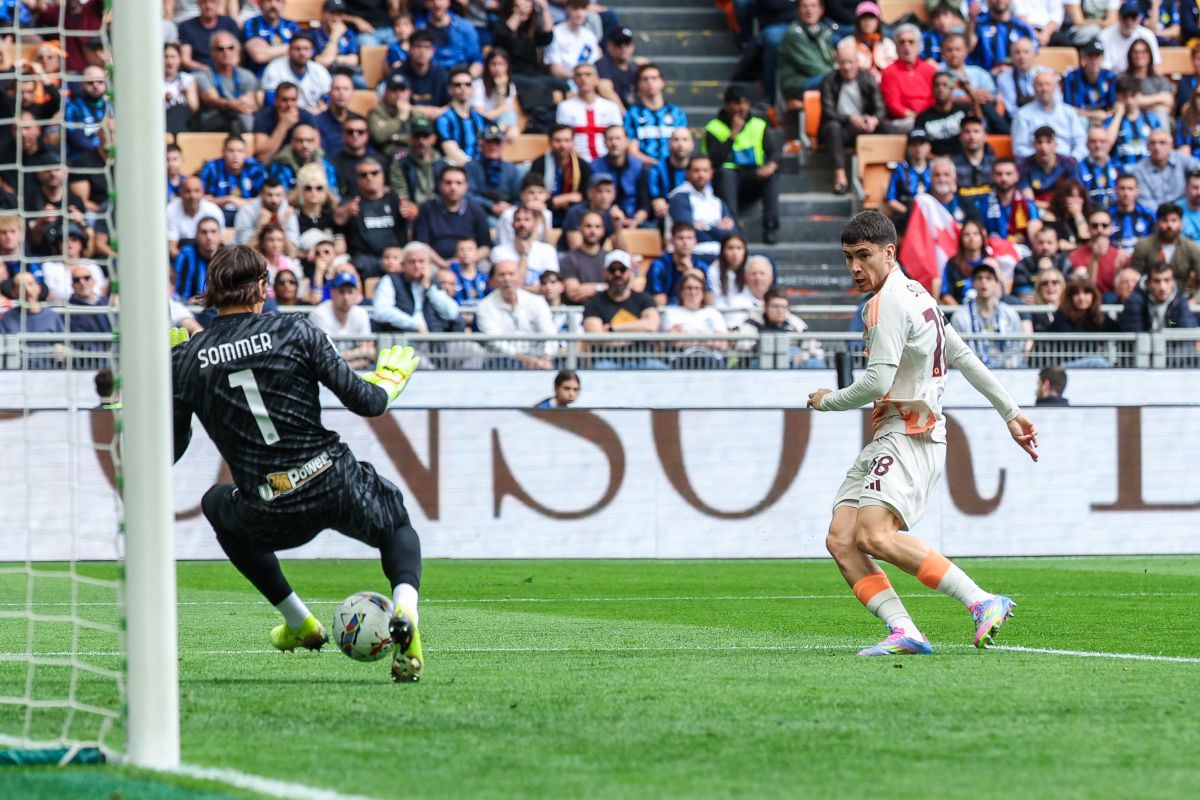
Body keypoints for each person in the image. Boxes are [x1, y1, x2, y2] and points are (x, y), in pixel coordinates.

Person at [169, 246, 425, 683]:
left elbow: (170, 451)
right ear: (262, 287)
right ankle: (405, 608)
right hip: (335, 481)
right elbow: (367, 402)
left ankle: (298, 621)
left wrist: (168, 383)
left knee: (216, 503)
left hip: (270, 505)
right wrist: (389, 381)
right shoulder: (296, 330)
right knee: (396, 524)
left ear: (211, 292)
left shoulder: (187, 359)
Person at [808, 211, 1037, 658]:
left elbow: (876, 382)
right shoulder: (918, 294)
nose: (855, 267)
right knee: (842, 538)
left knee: (874, 536)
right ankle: (905, 630)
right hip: (891, 434)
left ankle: (981, 601)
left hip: (910, 433)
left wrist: (826, 400)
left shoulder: (887, 303)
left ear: (888, 252)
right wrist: (1011, 412)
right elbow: (963, 355)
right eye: (848, 257)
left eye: (863, 255)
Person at [704, 84, 782, 243]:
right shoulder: (714, 127)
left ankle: (770, 227)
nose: (742, 107)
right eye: (737, 103)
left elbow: (774, 151)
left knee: (771, 177)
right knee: (726, 175)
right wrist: (733, 134)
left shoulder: (758, 124)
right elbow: (715, 160)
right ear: (727, 105)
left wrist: (771, 165)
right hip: (727, 178)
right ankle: (733, 228)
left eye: (745, 102)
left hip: (753, 174)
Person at [821, 37, 886, 197]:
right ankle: (840, 176)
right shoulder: (829, 80)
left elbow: (880, 108)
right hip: (840, 127)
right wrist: (850, 119)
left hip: (863, 125)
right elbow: (828, 111)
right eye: (842, 63)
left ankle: (886, 179)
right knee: (833, 127)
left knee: (888, 128)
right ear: (837, 64)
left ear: (858, 62)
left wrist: (874, 119)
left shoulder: (867, 78)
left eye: (850, 62)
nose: (846, 67)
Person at [582, 251, 666, 369]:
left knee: (661, 369)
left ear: (630, 271)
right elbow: (596, 338)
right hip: (607, 361)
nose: (617, 274)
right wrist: (640, 333)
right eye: (612, 270)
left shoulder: (644, 299)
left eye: (622, 269)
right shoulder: (594, 302)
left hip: (643, 360)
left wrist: (612, 328)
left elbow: (652, 326)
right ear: (605, 272)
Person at [474, 259, 559, 369]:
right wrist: (522, 358)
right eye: (502, 275)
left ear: (520, 278)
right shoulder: (484, 306)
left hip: (540, 358)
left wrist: (546, 357)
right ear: (493, 280)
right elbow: (495, 341)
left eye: (511, 274)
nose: (507, 279)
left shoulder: (537, 301)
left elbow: (549, 332)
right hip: (501, 361)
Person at [371, 241, 464, 333]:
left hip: (435, 338)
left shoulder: (433, 284)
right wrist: (414, 325)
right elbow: (382, 311)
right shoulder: (390, 281)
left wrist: (429, 289)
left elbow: (451, 313)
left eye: (421, 261)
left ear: (429, 264)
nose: (417, 266)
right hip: (403, 337)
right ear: (403, 264)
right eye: (412, 262)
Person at [949, 261, 1027, 368]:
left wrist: (1010, 366)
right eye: (979, 278)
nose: (984, 282)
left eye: (989, 278)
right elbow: (956, 350)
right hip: (972, 371)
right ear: (973, 283)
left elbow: (1017, 346)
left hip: (1007, 371)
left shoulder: (1009, 313)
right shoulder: (960, 316)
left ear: (997, 283)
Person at [340, 157, 405, 277]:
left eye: (374, 173)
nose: (369, 178)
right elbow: (337, 220)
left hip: (397, 257)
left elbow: (413, 214)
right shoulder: (352, 203)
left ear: (383, 175)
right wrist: (345, 213)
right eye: (363, 175)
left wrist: (412, 213)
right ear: (357, 179)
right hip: (366, 260)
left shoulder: (395, 201)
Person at [414, 166, 492, 265]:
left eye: (459, 183)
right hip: (435, 263)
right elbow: (422, 245)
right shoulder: (426, 209)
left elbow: (486, 246)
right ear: (439, 185)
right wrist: (442, 264)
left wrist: (470, 260)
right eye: (448, 183)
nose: (453, 187)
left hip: (471, 262)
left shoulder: (476, 210)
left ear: (466, 186)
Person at [666, 155, 739, 258]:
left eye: (705, 170)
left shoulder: (717, 201)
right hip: (692, 255)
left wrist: (705, 227)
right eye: (696, 170)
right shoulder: (679, 198)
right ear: (687, 173)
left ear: (711, 173)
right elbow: (689, 235)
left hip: (721, 256)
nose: (701, 175)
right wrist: (717, 229)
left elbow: (732, 234)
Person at [660, 269, 729, 370]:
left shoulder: (714, 313)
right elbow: (676, 341)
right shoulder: (671, 313)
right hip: (682, 359)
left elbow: (722, 344)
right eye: (689, 288)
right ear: (681, 292)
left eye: (697, 288)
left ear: (703, 292)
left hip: (712, 360)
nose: (693, 292)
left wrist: (687, 334)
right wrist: (707, 336)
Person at [1011, 72, 1088, 161]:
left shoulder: (1069, 112)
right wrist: (1041, 160)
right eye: (1040, 85)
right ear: (1033, 88)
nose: (1044, 88)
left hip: (1067, 161)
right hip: (1036, 163)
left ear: (1056, 87)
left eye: (1048, 84)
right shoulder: (1023, 114)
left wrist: (1072, 159)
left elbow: (1081, 143)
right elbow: (1019, 148)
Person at [196, 32, 261, 135]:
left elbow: (249, 102)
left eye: (230, 48)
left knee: (246, 118)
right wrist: (233, 105)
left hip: (241, 116)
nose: (226, 52)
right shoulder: (203, 76)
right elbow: (212, 100)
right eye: (220, 49)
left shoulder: (247, 75)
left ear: (237, 50)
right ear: (212, 52)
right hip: (214, 119)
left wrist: (239, 105)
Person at [308, 271, 375, 369]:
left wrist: (340, 362)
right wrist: (359, 353)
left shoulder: (361, 313)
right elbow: (325, 359)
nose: (346, 298)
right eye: (341, 292)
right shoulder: (319, 314)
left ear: (356, 294)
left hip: (354, 372)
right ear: (332, 292)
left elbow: (370, 352)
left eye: (350, 292)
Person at [556, 62, 623, 160]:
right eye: (578, 75)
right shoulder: (564, 107)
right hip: (576, 160)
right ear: (574, 80)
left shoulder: (611, 107)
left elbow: (618, 136)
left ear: (597, 79)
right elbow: (563, 138)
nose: (583, 78)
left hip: (607, 161)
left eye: (588, 74)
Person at [625, 63, 687, 167]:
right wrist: (654, 165)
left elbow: (684, 145)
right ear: (638, 84)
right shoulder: (632, 114)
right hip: (643, 168)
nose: (650, 82)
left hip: (673, 167)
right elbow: (632, 150)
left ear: (662, 82)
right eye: (645, 79)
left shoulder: (676, 113)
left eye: (654, 78)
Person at [0, 271, 65, 369]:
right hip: (15, 373)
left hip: (48, 372)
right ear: (14, 292)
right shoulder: (6, 318)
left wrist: (63, 351)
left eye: (30, 284)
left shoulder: (52, 316)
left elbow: (65, 344)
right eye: (21, 286)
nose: (27, 290)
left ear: (39, 288)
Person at [880, 24, 937, 134]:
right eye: (902, 42)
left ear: (919, 46)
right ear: (896, 47)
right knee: (916, 124)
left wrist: (927, 115)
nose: (906, 46)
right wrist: (917, 117)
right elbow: (893, 104)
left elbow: (934, 99)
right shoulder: (889, 72)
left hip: (929, 116)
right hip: (903, 121)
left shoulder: (930, 70)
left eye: (911, 42)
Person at [777, 0, 839, 102]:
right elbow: (814, 67)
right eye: (804, 6)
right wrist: (839, 74)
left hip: (820, 76)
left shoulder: (824, 29)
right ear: (798, 10)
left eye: (813, 6)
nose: (809, 10)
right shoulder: (794, 34)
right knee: (838, 80)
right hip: (798, 83)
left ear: (821, 10)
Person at [532, 123, 592, 226]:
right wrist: (565, 199)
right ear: (550, 142)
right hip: (544, 211)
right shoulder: (539, 164)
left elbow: (585, 196)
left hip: (574, 214)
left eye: (566, 140)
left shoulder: (582, 165)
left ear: (572, 142)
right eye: (558, 141)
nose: (562, 145)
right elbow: (534, 196)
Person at [1130, 202, 1200, 288]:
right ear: (1157, 223)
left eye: (1174, 220)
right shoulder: (1143, 246)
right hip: (1149, 293)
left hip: (1183, 293)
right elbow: (1134, 277)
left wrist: (1194, 296)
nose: (1169, 225)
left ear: (1181, 224)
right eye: (1165, 220)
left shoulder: (1191, 248)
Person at [490, 205, 561, 289]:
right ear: (512, 224)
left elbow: (552, 288)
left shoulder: (548, 250)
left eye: (527, 220)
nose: (522, 224)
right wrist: (524, 255)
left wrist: (520, 288)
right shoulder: (499, 252)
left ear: (535, 224)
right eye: (518, 220)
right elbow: (499, 286)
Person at [1117, 261, 1199, 332]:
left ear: (1173, 282)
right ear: (1148, 283)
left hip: (1172, 344)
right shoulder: (1136, 301)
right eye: (1157, 281)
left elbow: (1186, 330)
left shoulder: (1179, 301)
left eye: (1167, 280)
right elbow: (1135, 332)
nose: (1162, 287)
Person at [261, 34, 333, 114]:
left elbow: (329, 98)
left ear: (312, 51)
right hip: (283, 114)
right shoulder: (275, 68)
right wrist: (305, 112)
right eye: (297, 49)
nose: (302, 53)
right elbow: (270, 101)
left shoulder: (319, 70)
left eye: (306, 49)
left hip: (316, 115)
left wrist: (324, 109)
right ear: (289, 50)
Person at [590, 126, 646, 226]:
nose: (614, 143)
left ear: (627, 142)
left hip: (634, 220)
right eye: (610, 139)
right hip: (603, 220)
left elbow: (645, 202)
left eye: (618, 138)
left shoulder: (638, 166)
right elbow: (591, 200)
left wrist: (636, 221)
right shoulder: (594, 168)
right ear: (604, 142)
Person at [1105, 75, 1163, 172]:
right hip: (1122, 172)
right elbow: (1106, 145)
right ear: (1117, 97)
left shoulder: (1152, 119)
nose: (1129, 101)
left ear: (1140, 95)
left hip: (1148, 172)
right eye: (1124, 97)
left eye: (1133, 96)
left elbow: (1162, 146)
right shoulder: (1111, 121)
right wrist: (1118, 114)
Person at [978, 158, 1042, 246]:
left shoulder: (1028, 205)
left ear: (1017, 176)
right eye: (999, 174)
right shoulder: (981, 204)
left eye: (1008, 174)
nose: (1004, 178)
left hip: (1022, 251)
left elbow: (1035, 235)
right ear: (993, 176)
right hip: (991, 249)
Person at [465, 124, 523, 220]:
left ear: (502, 145)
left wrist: (510, 208)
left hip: (509, 215)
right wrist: (491, 205)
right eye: (489, 142)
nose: (493, 146)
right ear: (481, 144)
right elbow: (467, 194)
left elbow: (520, 198)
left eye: (497, 142)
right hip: (479, 213)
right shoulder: (470, 167)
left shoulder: (512, 169)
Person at [1129, 131, 1200, 209]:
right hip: (1156, 214)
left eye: (1162, 143)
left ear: (1171, 145)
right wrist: (1166, 213)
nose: (1157, 147)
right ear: (1147, 146)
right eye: (1153, 143)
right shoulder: (1139, 170)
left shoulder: (1182, 159)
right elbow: (1145, 202)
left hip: (1186, 210)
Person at [389, 116, 446, 211]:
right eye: (417, 137)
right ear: (410, 138)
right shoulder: (400, 164)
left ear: (434, 138)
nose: (421, 141)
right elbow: (400, 194)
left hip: (440, 212)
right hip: (413, 212)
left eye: (425, 136)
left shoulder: (444, 164)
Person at [646, 222, 710, 306]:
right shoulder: (659, 265)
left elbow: (708, 301)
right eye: (680, 238)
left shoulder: (701, 266)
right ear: (672, 241)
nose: (685, 242)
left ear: (695, 241)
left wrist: (690, 272)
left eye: (689, 238)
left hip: (694, 311)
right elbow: (659, 303)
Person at [253, 82, 319, 164]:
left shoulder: (306, 116)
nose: (289, 105)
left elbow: (316, 148)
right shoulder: (264, 116)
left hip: (301, 163)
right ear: (276, 101)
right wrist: (283, 125)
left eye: (293, 100)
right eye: (284, 100)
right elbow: (262, 156)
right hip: (273, 164)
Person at [967, 0, 1039, 72]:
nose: (1000, 0)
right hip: (985, 75)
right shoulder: (978, 25)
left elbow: (1034, 56)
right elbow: (968, 47)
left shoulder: (1023, 28)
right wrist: (971, 23)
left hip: (1016, 76)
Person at [437, 67, 489, 165]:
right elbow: (451, 151)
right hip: (457, 168)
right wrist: (475, 169)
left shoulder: (479, 118)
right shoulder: (444, 118)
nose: (463, 88)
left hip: (481, 167)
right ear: (450, 90)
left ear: (472, 89)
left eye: (467, 84)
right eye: (458, 85)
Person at [913, 72, 973, 157]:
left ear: (952, 89)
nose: (940, 89)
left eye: (945, 85)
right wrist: (938, 160)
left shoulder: (963, 110)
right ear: (932, 89)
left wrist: (969, 92)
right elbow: (919, 147)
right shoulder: (922, 118)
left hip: (963, 160)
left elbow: (979, 122)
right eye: (937, 85)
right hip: (935, 162)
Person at [1067, 208, 1124, 295]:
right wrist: (1094, 257)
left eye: (1104, 225)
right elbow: (1087, 289)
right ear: (1088, 228)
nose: (1100, 230)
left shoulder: (1119, 254)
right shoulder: (1076, 255)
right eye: (1095, 226)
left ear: (1111, 229)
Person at [1019, 127, 1079, 208]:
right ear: (1033, 145)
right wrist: (1052, 207)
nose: (1044, 147)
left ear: (1055, 145)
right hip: (1038, 210)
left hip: (1064, 209)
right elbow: (1029, 202)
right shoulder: (1024, 166)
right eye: (1039, 142)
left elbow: (1074, 195)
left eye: (1048, 142)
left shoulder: (1069, 164)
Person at [418, 0, 483, 74]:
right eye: (432, 0)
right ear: (426, 3)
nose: (436, 3)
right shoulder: (419, 29)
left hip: (460, 73)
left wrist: (467, 77)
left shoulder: (465, 27)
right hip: (431, 75)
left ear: (449, 2)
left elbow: (477, 61)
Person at [234, 178, 301, 250]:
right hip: (250, 255)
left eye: (278, 195)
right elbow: (245, 251)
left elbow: (292, 253)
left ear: (283, 195)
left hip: (277, 256)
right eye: (269, 195)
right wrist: (260, 228)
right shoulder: (247, 211)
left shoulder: (287, 211)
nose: (274, 200)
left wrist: (282, 228)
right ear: (261, 194)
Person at [167, 176, 224, 259]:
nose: (192, 195)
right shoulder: (171, 210)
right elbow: (171, 249)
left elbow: (220, 243)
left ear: (203, 193)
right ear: (181, 193)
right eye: (188, 191)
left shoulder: (214, 210)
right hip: (182, 257)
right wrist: (187, 262)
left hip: (209, 257)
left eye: (196, 191)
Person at [1063, 39, 1116, 126]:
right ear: (1084, 57)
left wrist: (1106, 115)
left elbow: (1114, 104)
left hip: (1104, 118)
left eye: (1097, 56)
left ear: (1103, 58)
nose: (1094, 61)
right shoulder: (1072, 78)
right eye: (1090, 56)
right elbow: (1068, 108)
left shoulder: (1110, 77)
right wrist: (1092, 115)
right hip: (1080, 119)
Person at [646, 128, 694, 223]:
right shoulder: (657, 169)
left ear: (692, 144)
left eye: (685, 139)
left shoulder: (698, 168)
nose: (680, 144)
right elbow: (656, 200)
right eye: (676, 139)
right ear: (669, 144)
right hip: (667, 218)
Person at [559, 209, 609, 303]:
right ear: (580, 229)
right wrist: (606, 289)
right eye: (588, 226)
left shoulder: (610, 258)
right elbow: (574, 294)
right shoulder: (569, 259)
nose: (593, 231)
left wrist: (596, 288)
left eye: (597, 226)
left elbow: (622, 289)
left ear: (603, 230)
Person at [544, 0, 601, 81]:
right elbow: (555, 70)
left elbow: (595, 64)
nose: (580, 14)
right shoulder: (556, 33)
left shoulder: (590, 36)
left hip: (587, 82)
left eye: (583, 9)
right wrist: (579, 77)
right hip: (563, 81)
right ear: (567, 9)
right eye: (575, 9)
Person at [173, 216, 225, 302]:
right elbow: (179, 292)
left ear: (220, 235)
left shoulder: (228, 257)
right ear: (196, 235)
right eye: (204, 232)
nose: (209, 237)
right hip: (191, 307)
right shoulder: (186, 255)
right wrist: (188, 301)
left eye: (213, 231)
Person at [242, 0, 301, 75]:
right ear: (260, 4)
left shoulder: (291, 25)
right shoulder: (252, 23)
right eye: (268, 1)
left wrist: (268, 51)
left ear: (283, 4)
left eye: (278, 1)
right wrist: (290, 48)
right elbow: (259, 56)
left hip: (288, 75)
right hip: (260, 76)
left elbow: (300, 50)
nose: (273, 4)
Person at [1098, 2, 1160, 74]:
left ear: (1139, 19)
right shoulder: (1105, 36)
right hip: (1114, 78)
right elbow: (1104, 68)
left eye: (1133, 17)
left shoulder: (1147, 35)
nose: (1129, 22)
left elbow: (1156, 65)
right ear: (1119, 17)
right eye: (1126, 17)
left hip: (1140, 78)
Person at [178, 0, 240, 71]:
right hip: (198, 72)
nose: (208, 6)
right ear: (198, 4)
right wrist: (209, 71)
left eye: (212, 2)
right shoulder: (186, 26)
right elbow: (186, 60)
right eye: (204, 2)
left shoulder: (230, 24)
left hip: (227, 71)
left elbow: (236, 56)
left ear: (218, 4)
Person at [938, 219, 989, 304]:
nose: (972, 238)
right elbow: (945, 293)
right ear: (961, 239)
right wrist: (959, 310)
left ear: (982, 237)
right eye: (967, 234)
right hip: (958, 308)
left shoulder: (990, 263)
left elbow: (998, 293)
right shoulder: (953, 263)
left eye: (976, 233)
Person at [1122, 38, 1172, 126]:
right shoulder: (1124, 78)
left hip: (1156, 120)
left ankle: (1161, 135)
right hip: (1131, 121)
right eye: (1135, 52)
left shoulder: (1160, 80)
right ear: (1130, 55)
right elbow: (1130, 102)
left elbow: (1169, 100)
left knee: (1160, 111)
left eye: (1143, 52)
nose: (1139, 55)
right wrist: (1158, 99)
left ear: (1150, 55)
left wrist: (1142, 101)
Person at [400, 30, 451, 114]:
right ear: (410, 49)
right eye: (418, 46)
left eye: (427, 47)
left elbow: (451, 104)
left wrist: (438, 112)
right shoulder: (400, 73)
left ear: (433, 51)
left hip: (438, 118)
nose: (422, 51)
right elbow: (399, 105)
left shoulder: (441, 74)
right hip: (409, 118)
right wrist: (429, 112)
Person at [369, 72, 415, 160]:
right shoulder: (376, 112)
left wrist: (394, 137)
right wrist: (400, 119)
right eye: (394, 90)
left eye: (402, 90)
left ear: (409, 93)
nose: (398, 94)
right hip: (386, 156)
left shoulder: (415, 113)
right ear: (386, 93)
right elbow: (379, 136)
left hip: (413, 153)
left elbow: (422, 137)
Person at [315, 74, 363, 157]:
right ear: (329, 93)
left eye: (346, 89)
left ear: (352, 93)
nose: (341, 93)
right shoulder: (317, 122)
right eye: (337, 89)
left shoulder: (359, 121)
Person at [472, 48, 519, 133]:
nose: (497, 68)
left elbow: (507, 112)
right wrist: (505, 107)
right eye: (493, 64)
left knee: (512, 125)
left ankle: (496, 134)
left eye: (501, 64)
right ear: (487, 66)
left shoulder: (510, 86)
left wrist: (501, 89)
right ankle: (495, 134)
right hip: (480, 123)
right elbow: (479, 114)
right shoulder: (478, 84)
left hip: (499, 123)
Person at [953, 116, 998, 203]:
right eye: (967, 132)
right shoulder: (951, 165)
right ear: (960, 136)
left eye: (976, 131)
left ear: (985, 136)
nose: (972, 136)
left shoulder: (995, 163)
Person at [1076, 125, 1121, 210]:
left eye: (1102, 141)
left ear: (1109, 144)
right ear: (1087, 144)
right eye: (1093, 141)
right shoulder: (1078, 169)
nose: (1098, 145)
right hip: (1090, 215)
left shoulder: (1118, 167)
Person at [1107, 174, 1156, 251]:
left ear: (1137, 191)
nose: (1126, 193)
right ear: (1116, 190)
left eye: (1130, 189)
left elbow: (1155, 242)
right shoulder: (1107, 216)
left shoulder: (1148, 215)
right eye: (1122, 188)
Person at [595, 25, 638, 108]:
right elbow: (605, 90)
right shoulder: (602, 64)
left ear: (632, 46)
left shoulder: (635, 67)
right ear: (609, 45)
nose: (623, 47)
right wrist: (624, 113)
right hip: (610, 111)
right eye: (618, 43)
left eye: (627, 43)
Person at [164, 41, 199, 135]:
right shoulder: (154, 81)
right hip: (162, 116)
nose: (169, 61)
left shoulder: (187, 79)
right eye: (166, 57)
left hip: (184, 118)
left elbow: (194, 108)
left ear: (179, 59)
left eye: (173, 57)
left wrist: (187, 94)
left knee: (179, 110)